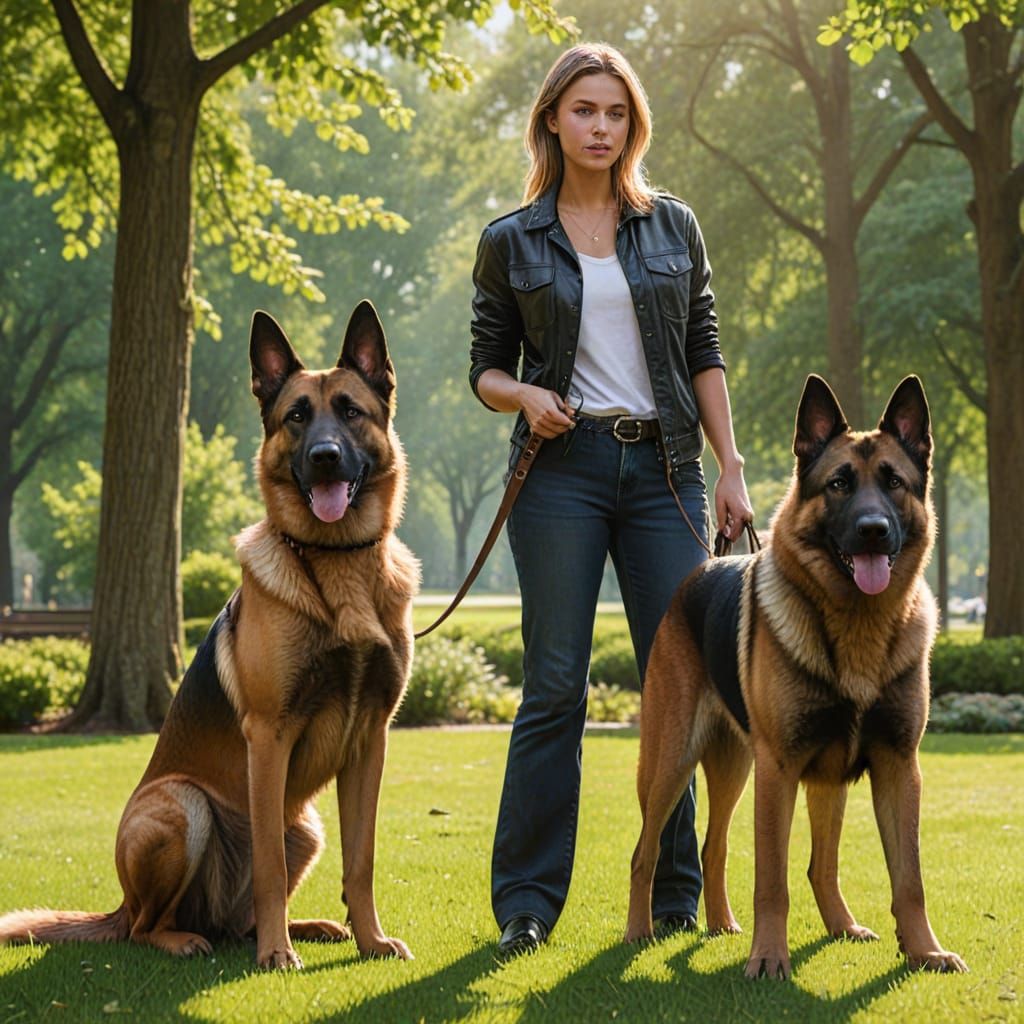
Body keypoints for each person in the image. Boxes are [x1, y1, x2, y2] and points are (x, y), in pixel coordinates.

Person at [468, 42, 754, 959]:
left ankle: (677, 896)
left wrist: (733, 465)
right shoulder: (512, 239)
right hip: (560, 474)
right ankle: (526, 903)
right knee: (554, 686)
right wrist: (524, 397)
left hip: (667, 469)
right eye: (584, 110)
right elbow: (484, 366)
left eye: (616, 113)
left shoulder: (673, 226)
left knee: (688, 684)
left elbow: (703, 348)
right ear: (552, 117)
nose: (600, 127)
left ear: (633, 124)